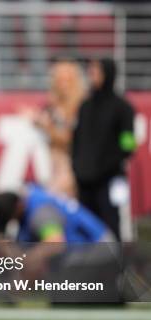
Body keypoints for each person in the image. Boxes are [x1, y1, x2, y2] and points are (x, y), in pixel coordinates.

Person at [71, 58, 137, 240]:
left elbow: (128, 146)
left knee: (113, 225)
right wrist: (78, 168)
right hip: (85, 182)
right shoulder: (85, 106)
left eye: (96, 71)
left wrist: (103, 168)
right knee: (85, 228)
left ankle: (116, 266)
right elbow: (77, 141)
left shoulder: (123, 108)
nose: (91, 76)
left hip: (112, 180)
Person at [21, 59, 85, 198]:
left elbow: (70, 140)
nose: (63, 85)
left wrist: (45, 126)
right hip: (50, 165)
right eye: (59, 79)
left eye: (67, 80)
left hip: (70, 168)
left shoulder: (81, 107)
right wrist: (36, 120)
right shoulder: (52, 105)